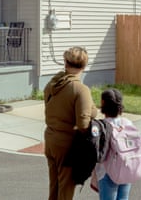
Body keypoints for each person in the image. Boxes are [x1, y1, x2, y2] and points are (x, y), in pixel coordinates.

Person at [44, 46, 98, 200]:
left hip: (50, 138)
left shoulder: (52, 84)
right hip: (67, 144)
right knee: (66, 189)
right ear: (84, 66)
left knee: (54, 186)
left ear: (66, 63)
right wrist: (92, 111)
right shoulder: (80, 90)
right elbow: (83, 124)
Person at [94, 89, 133, 200]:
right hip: (126, 169)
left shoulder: (101, 126)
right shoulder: (128, 123)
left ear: (103, 103)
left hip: (107, 172)